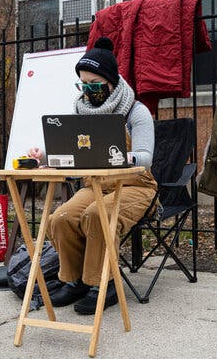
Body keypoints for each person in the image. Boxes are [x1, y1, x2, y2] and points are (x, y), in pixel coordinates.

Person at [28, 37, 157, 314]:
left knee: (97, 215)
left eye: (95, 84)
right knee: (60, 218)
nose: (89, 91)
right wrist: (45, 157)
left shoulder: (137, 111)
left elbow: (146, 158)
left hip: (135, 185)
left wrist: (122, 158)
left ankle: (103, 284)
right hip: (96, 184)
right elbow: (73, 154)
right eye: (83, 84)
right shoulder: (80, 111)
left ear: (111, 82)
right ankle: (74, 281)